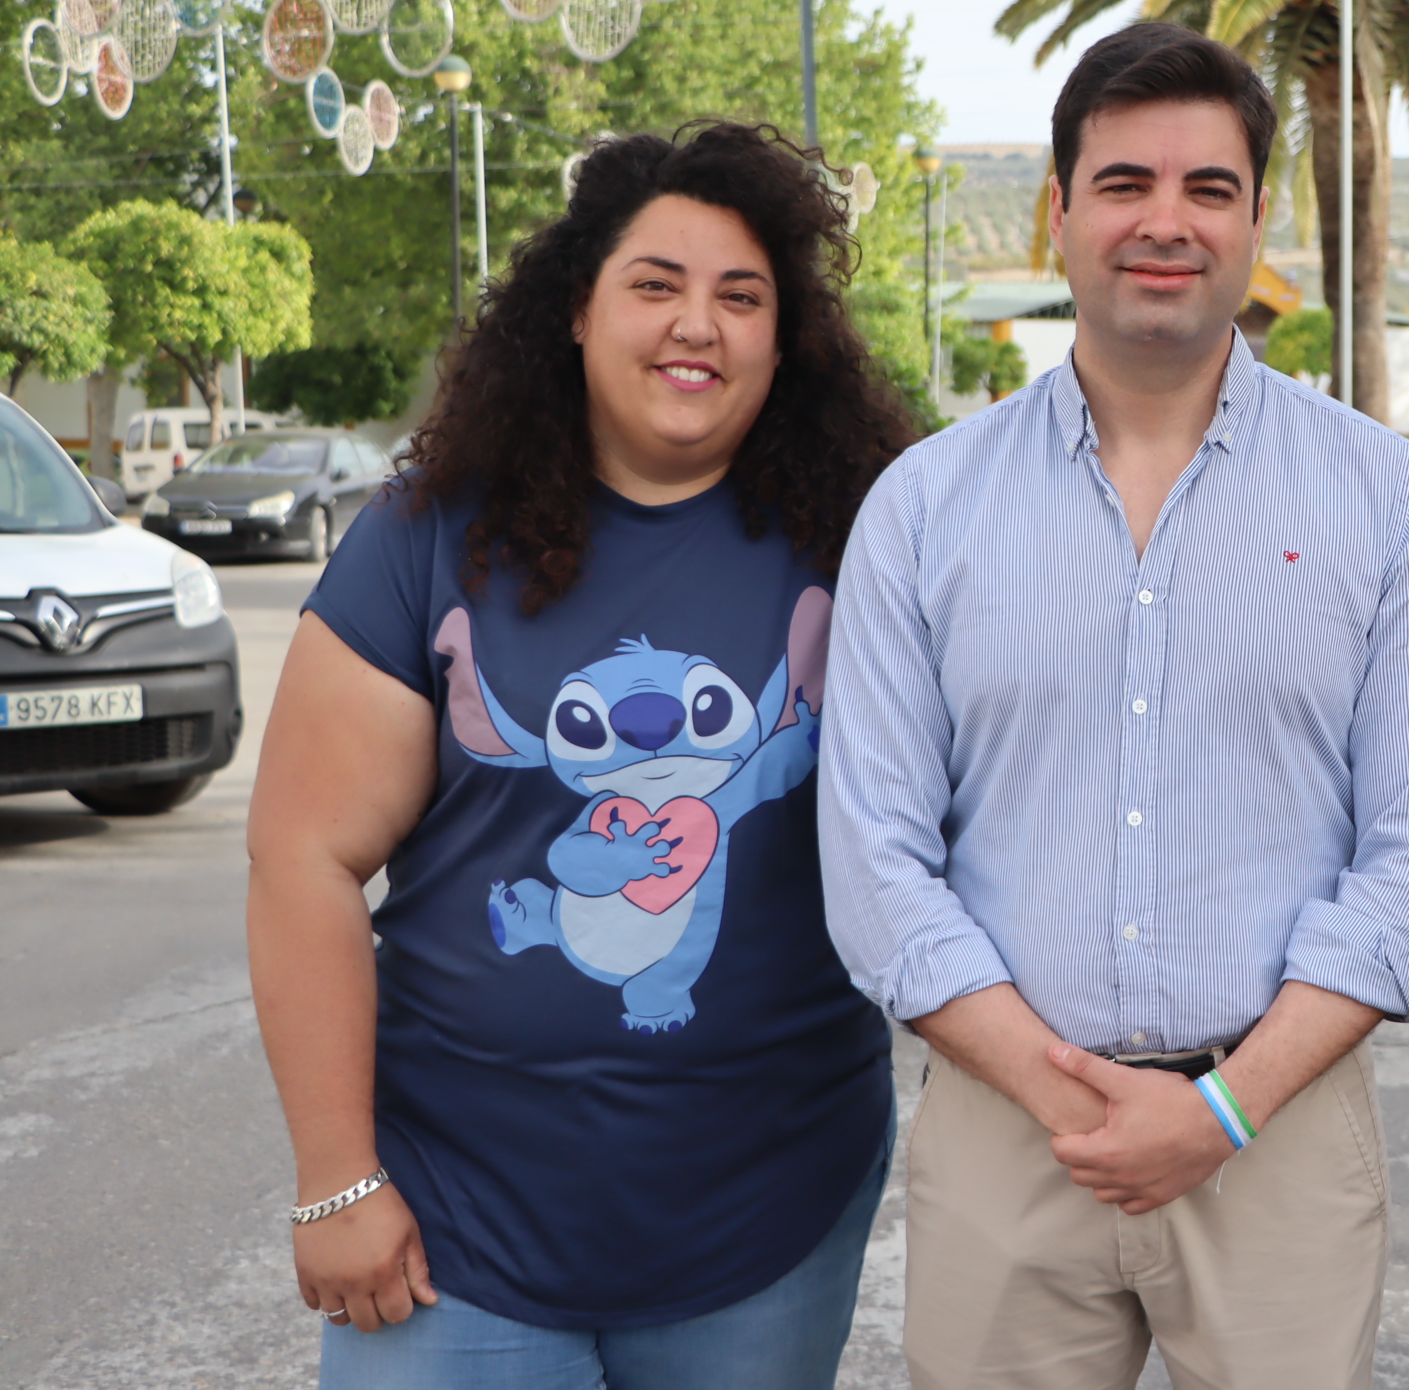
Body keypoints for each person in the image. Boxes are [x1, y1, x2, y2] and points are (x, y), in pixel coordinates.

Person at [818, 22, 1409, 1390]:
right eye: (1123, 184)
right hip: (1010, 1132)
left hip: (1278, 1134)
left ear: (1257, 221)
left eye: (1208, 189)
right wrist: (1064, 1086)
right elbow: (876, 853)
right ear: (1059, 214)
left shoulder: (1387, 502)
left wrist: (1220, 1108)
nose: (1163, 223)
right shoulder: (926, 508)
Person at [246, 123, 917, 1389]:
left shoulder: (869, 542)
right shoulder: (428, 539)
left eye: (741, 295)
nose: (696, 325)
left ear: (789, 336)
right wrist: (337, 1176)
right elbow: (303, 854)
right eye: (654, 285)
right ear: (574, 311)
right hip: (455, 1227)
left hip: (767, 1220)